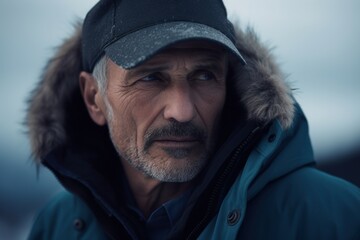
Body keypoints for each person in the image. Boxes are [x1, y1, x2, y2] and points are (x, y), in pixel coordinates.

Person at [26, 0, 360, 239]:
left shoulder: (334, 219)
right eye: (151, 78)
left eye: (204, 76)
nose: (182, 111)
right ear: (94, 98)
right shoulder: (58, 224)